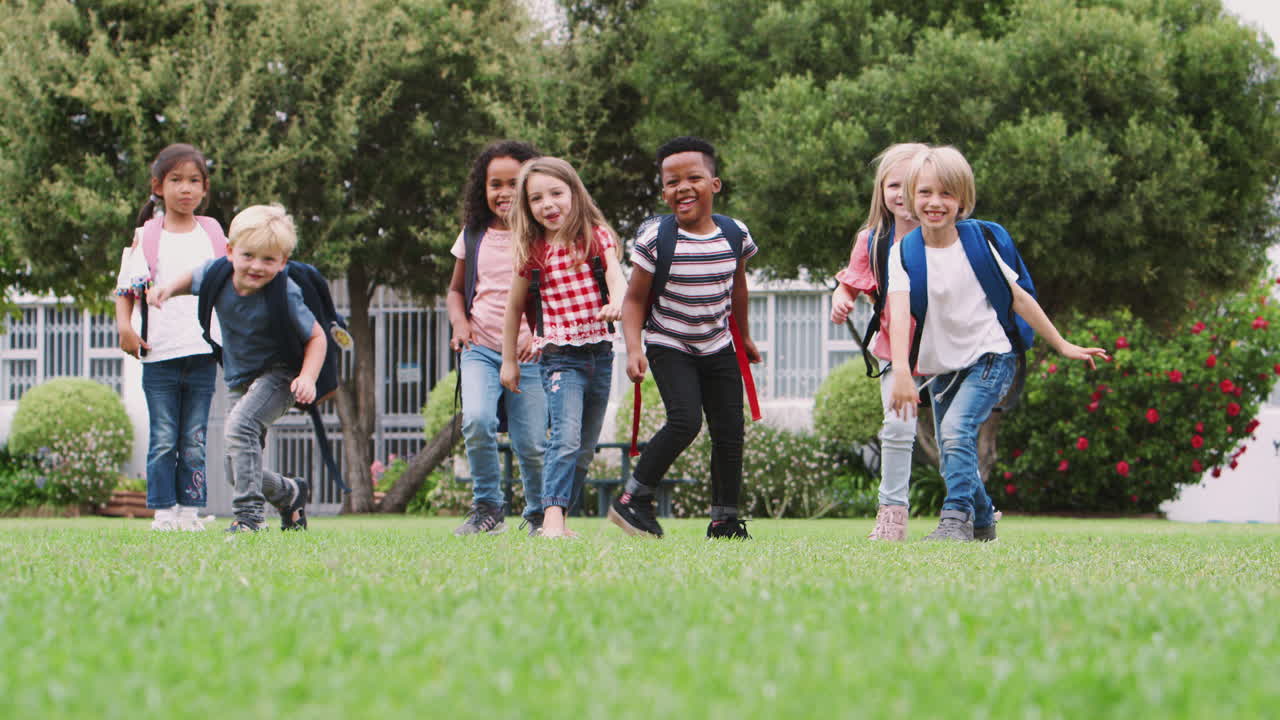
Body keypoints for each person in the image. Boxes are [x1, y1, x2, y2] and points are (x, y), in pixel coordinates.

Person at [886, 146, 1107, 541]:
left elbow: (1019, 297)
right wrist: (902, 370)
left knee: (955, 433)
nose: (936, 203)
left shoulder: (979, 240)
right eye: (926, 193)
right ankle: (984, 520)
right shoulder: (903, 251)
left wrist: (1061, 344)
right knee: (953, 450)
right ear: (910, 198)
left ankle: (955, 521)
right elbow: (899, 313)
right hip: (944, 368)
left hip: (991, 357)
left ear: (962, 200)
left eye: (947, 194)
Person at [609, 136, 761, 540]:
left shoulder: (734, 234)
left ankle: (724, 520)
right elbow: (634, 300)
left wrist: (743, 337)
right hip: (669, 341)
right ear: (664, 192)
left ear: (714, 184)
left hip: (717, 343)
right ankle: (633, 499)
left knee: (729, 431)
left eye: (693, 177)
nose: (683, 187)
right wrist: (634, 349)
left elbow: (738, 288)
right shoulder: (656, 239)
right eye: (672, 182)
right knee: (686, 420)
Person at [149, 204, 324, 533]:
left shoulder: (285, 292)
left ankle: (249, 519)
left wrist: (308, 377)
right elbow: (193, 278)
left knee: (240, 428)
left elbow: (317, 336)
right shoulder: (218, 274)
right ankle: (290, 494)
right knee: (237, 467)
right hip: (238, 378)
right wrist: (167, 290)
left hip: (281, 374)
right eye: (248, 256)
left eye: (269, 260)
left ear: (283, 262)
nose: (257, 266)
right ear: (230, 251)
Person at [500, 157, 626, 538]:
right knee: (565, 438)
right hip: (559, 357)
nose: (548, 204)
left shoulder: (595, 237)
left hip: (600, 354)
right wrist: (509, 361)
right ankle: (550, 520)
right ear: (528, 206)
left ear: (574, 192)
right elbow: (513, 308)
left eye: (556, 193)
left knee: (584, 448)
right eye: (537, 198)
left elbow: (617, 277)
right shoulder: (534, 252)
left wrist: (617, 301)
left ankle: (560, 517)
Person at [114, 143, 224, 531]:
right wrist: (125, 327)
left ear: (205, 188)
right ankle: (163, 512)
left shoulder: (212, 232)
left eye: (194, 181)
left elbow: (227, 280)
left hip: (202, 352)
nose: (186, 189)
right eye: (176, 180)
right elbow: (126, 288)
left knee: (193, 437)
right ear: (158, 186)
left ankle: (191, 512)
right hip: (158, 353)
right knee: (163, 437)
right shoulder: (147, 235)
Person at [446, 140, 548, 537]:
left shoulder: (544, 236)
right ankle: (487, 509)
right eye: (495, 184)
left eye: (515, 183)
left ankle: (540, 513)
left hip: (531, 354)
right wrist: (459, 323)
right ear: (482, 189)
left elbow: (557, 295)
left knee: (532, 444)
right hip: (481, 349)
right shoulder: (473, 235)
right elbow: (456, 291)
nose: (504, 192)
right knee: (476, 420)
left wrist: (539, 335)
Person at [830, 142, 928, 541]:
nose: (903, 195)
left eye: (915, 184)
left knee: (957, 433)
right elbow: (848, 285)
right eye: (893, 185)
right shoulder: (872, 240)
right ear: (881, 191)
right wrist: (841, 299)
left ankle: (970, 510)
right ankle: (892, 517)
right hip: (896, 351)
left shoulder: (944, 235)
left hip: (948, 348)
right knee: (898, 427)